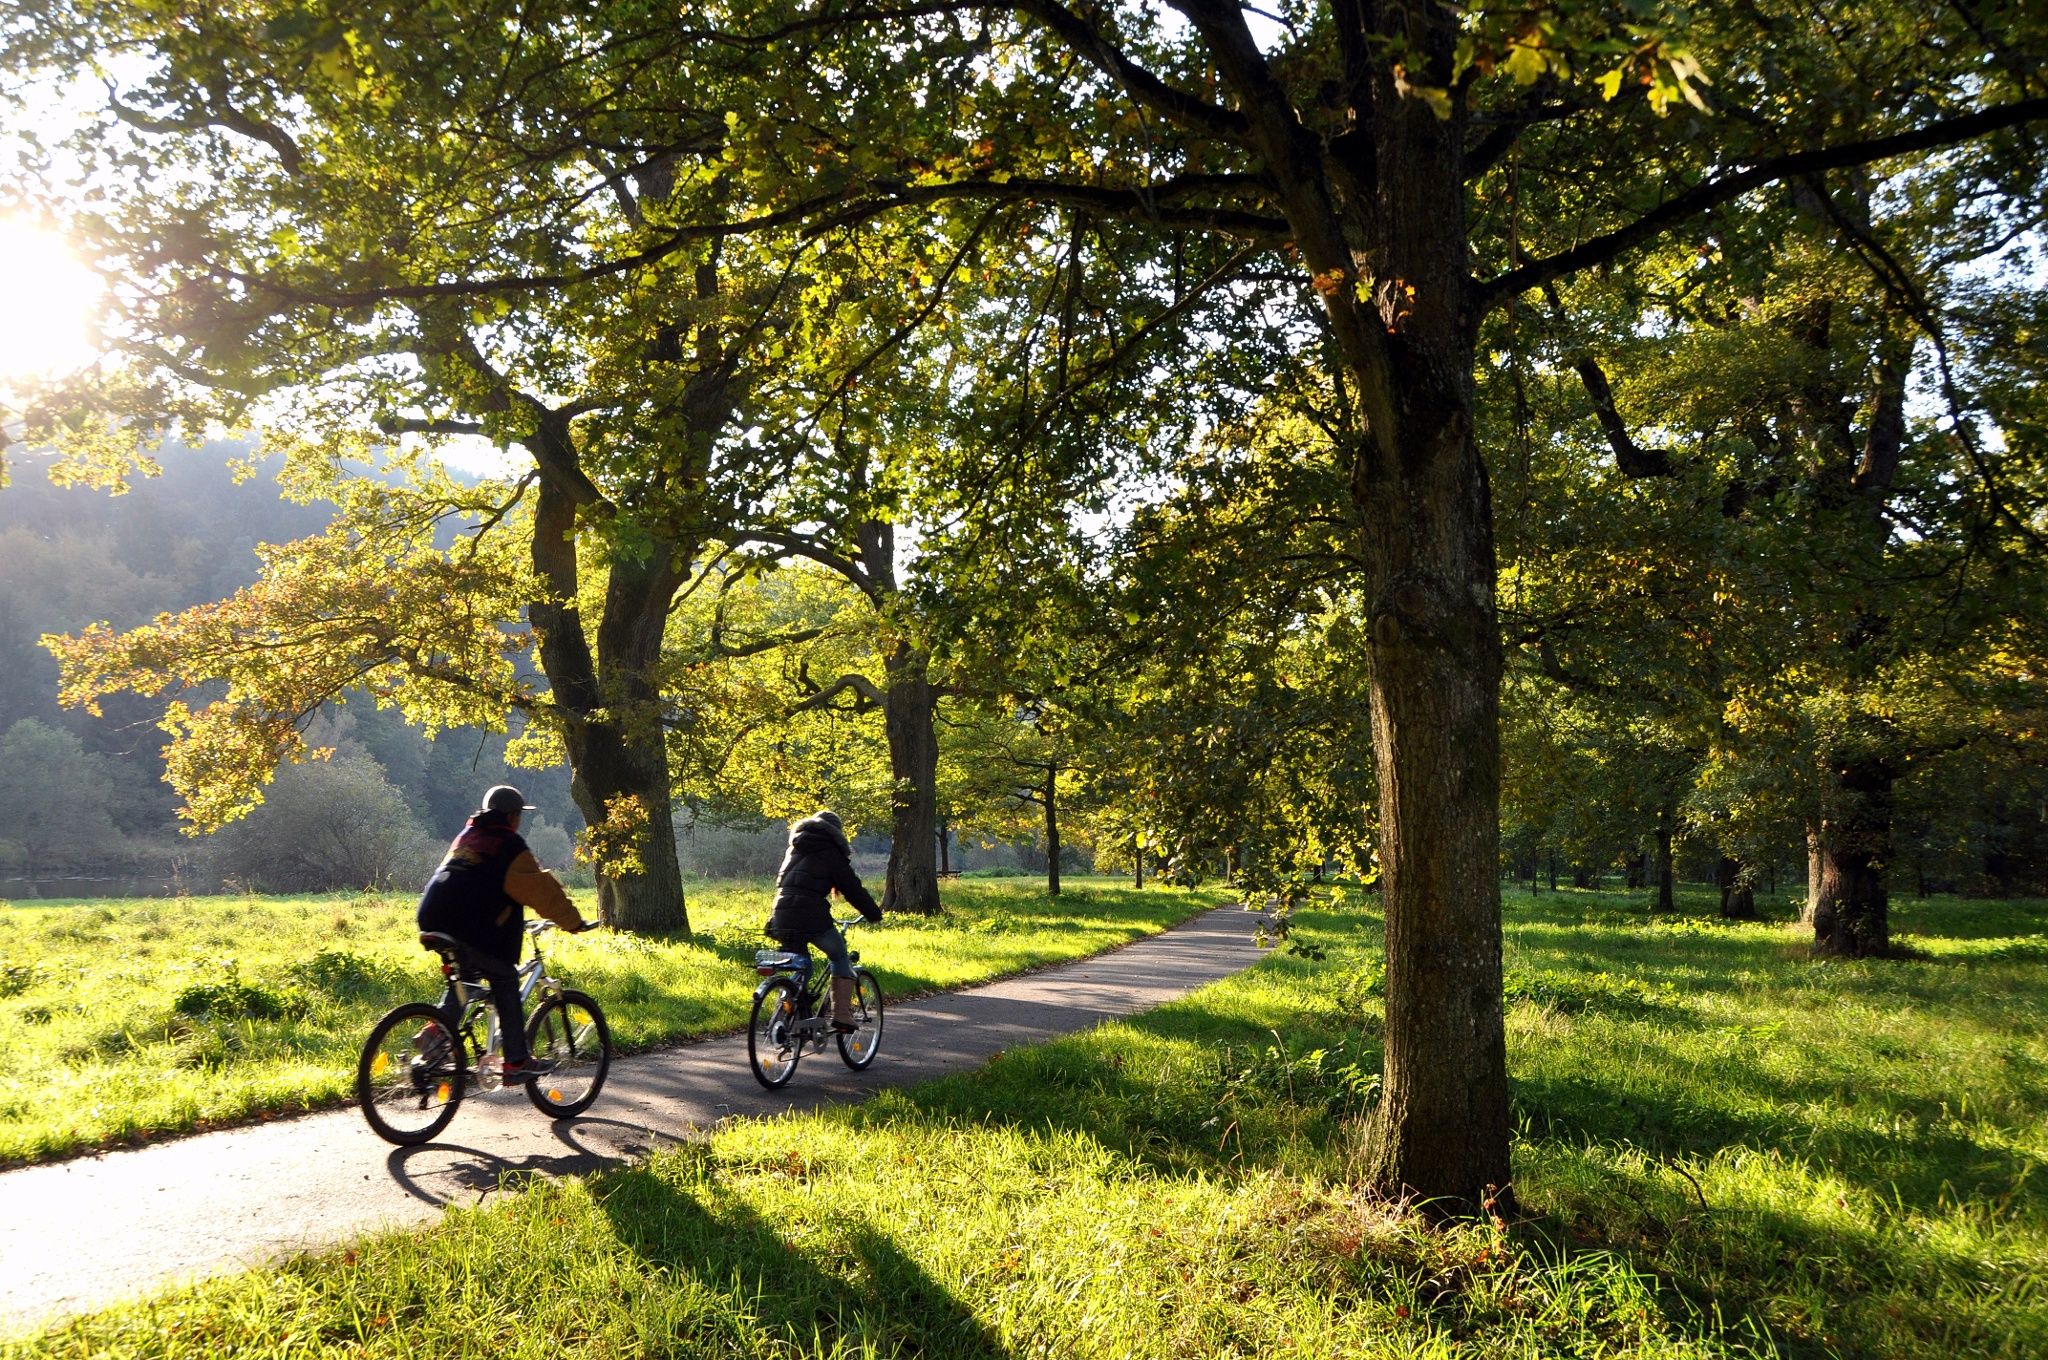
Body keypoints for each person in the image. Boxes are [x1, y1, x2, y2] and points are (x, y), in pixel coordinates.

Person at [416, 785, 590, 1082]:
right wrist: (573, 922)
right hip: (469, 925)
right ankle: (516, 1061)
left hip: (433, 917)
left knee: (466, 981)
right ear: (512, 816)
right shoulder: (508, 844)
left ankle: (435, 1033)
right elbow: (541, 890)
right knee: (505, 979)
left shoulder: (467, 836)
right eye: (519, 815)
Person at [767, 809, 882, 1032]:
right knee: (839, 955)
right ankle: (841, 1015)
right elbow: (852, 889)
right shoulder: (830, 851)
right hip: (810, 914)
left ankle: (786, 1016)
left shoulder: (795, 848)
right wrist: (874, 914)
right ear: (836, 832)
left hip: (780, 912)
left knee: (802, 966)